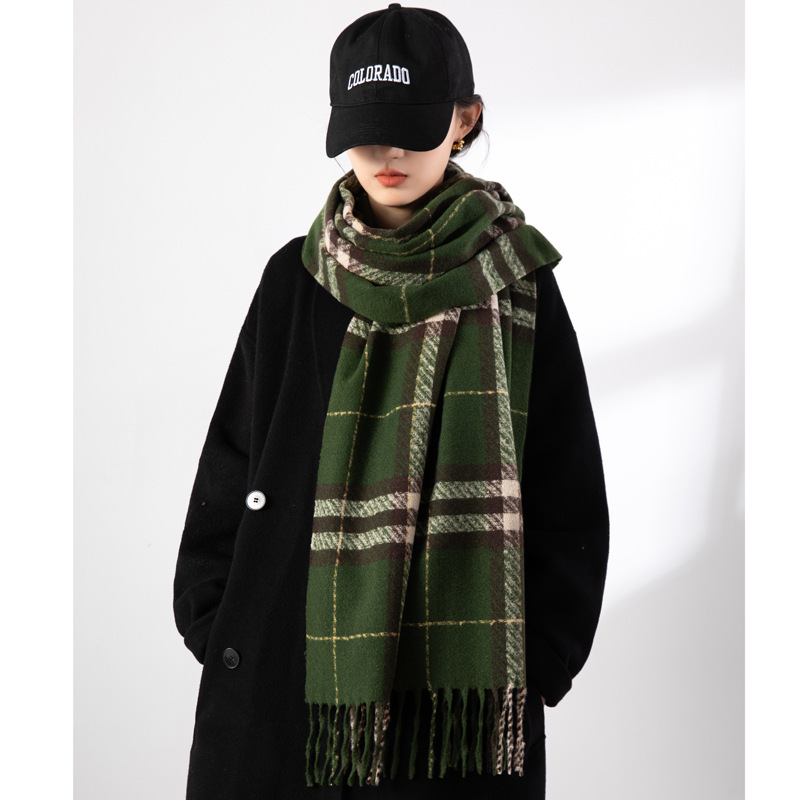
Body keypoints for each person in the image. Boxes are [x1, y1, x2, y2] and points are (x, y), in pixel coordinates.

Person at [172, 4, 609, 799]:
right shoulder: (294, 279)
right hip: (281, 688)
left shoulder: (518, 286)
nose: (388, 154)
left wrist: (537, 662)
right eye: (367, 132)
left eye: (411, 128)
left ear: (465, 120)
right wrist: (224, 623)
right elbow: (234, 459)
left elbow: (567, 489)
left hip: (455, 712)